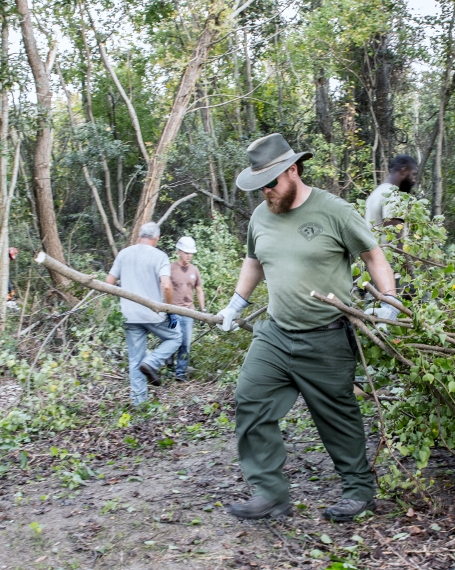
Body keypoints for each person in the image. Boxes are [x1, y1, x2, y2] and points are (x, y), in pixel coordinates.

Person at [218, 133, 399, 522]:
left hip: (326, 336)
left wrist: (388, 303)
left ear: (293, 171)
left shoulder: (334, 211)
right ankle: (270, 493)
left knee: (337, 416)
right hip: (276, 332)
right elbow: (254, 260)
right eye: (259, 185)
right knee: (250, 399)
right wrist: (236, 303)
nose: (266, 191)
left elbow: (373, 255)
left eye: (271, 182)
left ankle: (359, 491)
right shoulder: (260, 216)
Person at [106, 222, 182, 405]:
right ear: (156, 238)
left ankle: (139, 403)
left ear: (140, 236)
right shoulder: (160, 256)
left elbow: (108, 283)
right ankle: (152, 362)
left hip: (129, 315)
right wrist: (169, 310)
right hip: (153, 314)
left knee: (135, 359)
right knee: (175, 337)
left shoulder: (124, 254)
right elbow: (166, 285)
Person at [169, 236, 205, 381]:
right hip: (173, 311)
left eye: (191, 253)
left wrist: (202, 311)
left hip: (189, 311)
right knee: (173, 339)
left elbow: (199, 290)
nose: (189, 256)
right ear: (179, 252)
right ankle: (168, 361)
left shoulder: (194, 270)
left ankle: (180, 373)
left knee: (185, 343)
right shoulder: (171, 268)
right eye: (186, 253)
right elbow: (164, 288)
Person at [364, 154, 418, 228]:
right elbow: (395, 233)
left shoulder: (376, 192)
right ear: (404, 171)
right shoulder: (393, 195)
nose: (414, 180)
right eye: (413, 174)